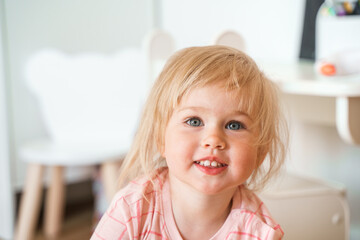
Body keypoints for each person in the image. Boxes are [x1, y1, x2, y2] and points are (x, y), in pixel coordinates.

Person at [91, 45, 287, 240]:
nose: (213, 140)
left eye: (234, 125)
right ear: (161, 138)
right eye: (194, 121)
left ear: (261, 151)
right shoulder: (132, 207)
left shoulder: (260, 232)